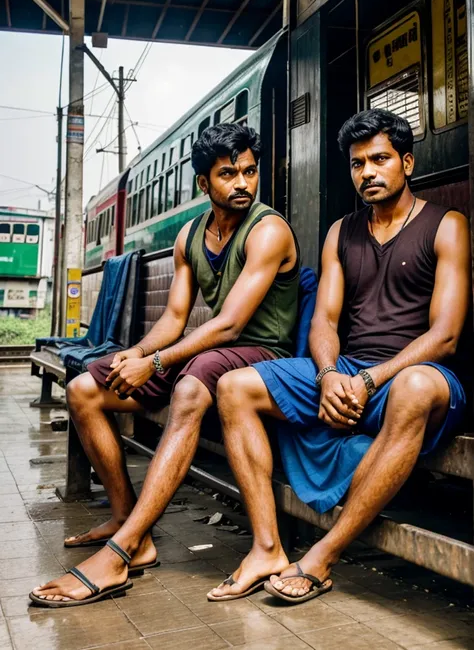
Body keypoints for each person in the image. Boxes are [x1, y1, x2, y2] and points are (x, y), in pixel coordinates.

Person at [30, 123, 300, 607]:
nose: (242, 182)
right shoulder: (190, 235)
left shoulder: (269, 230)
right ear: (204, 183)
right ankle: (128, 520)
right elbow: (175, 318)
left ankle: (122, 549)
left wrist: (154, 362)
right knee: (85, 389)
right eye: (228, 174)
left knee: (191, 388)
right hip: (209, 353)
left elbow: (230, 326)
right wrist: (136, 355)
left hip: (263, 355)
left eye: (250, 171)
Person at [207, 109, 470, 604]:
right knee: (234, 386)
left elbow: (445, 336)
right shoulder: (340, 232)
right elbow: (324, 321)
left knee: (415, 385)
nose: (367, 172)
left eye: (380, 160)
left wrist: (370, 381)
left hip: (419, 374)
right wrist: (329, 375)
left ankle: (324, 555)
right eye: (357, 164)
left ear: (407, 162)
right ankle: (266, 547)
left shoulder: (446, 224)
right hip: (350, 371)